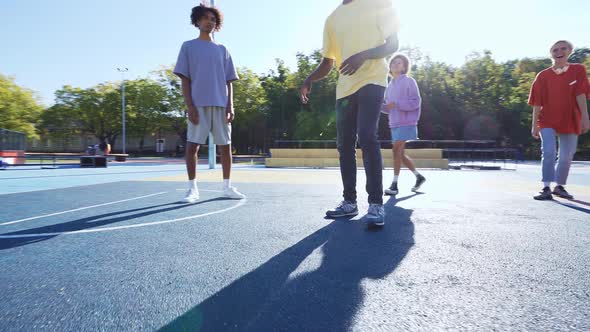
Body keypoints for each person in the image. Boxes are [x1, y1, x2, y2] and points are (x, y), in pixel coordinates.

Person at [299, 0, 399, 227]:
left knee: (366, 136)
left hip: (372, 79)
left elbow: (393, 44)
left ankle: (375, 203)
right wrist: (309, 79)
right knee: (344, 144)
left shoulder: (376, 4)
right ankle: (349, 202)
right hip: (344, 88)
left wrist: (363, 55)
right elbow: (327, 62)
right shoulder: (332, 19)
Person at [174, 4, 245, 203]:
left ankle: (227, 187)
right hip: (198, 104)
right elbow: (185, 79)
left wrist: (231, 106)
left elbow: (229, 81)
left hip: (221, 105)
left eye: (213, 19)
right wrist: (190, 105)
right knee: (192, 146)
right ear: (197, 21)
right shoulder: (188, 46)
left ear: (217, 23)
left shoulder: (223, 50)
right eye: (205, 18)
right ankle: (192, 189)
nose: (209, 21)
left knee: (225, 147)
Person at [528, 40, 590, 200]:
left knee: (567, 154)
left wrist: (585, 117)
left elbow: (581, 94)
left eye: (563, 48)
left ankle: (559, 187)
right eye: (555, 49)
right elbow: (537, 102)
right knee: (548, 151)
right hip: (547, 119)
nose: (559, 52)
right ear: (551, 53)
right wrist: (534, 125)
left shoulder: (578, 70)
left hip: (570, 118)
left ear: (569, 51)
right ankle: (546, 187)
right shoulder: (542, 75)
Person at [381, 54, 425, 195]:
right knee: (400, 153)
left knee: (395, 151)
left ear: (404, 67)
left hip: (407, 122)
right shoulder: (389, 86)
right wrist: (377, 105)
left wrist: (398, 104)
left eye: (399, 63)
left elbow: (416, 102)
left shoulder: (409, 81)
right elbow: (388, 108)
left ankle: (394, 185)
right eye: (393, 62)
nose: (395, 64)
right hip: (394, 124)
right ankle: (419, 177)